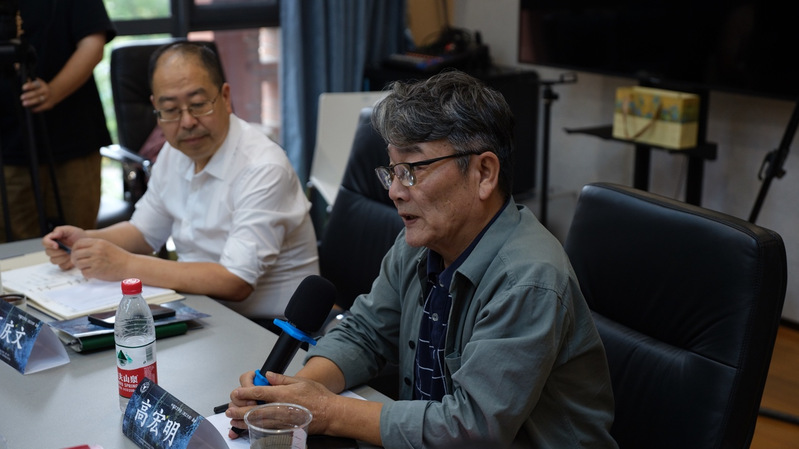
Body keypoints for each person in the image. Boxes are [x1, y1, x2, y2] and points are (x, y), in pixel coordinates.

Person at [224, 71, 618, 448]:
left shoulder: (529, 280)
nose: (394, 191)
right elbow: (366, 333)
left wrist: (325, 411)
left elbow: (471, 429)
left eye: (412, 170)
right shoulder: (419, 243)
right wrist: (296, 393)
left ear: (483, 173)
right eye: (392, 172)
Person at [41, 41, 319, 321]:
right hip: (202, 310)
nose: (187, 122)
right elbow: (143, 233)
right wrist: (87, 241)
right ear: (156, 108)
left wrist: (125, 265)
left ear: (225, 97)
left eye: (198, 105)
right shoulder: (174, 152)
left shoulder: (263, 167)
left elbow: (235, 281)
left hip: (271, 326)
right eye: (171, 109)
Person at [0, 0, 115, 242]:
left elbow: (93, 41)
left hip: (74, 135)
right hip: (7, 144)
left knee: (78, 241)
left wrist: (53, 91)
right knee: (14, 248)